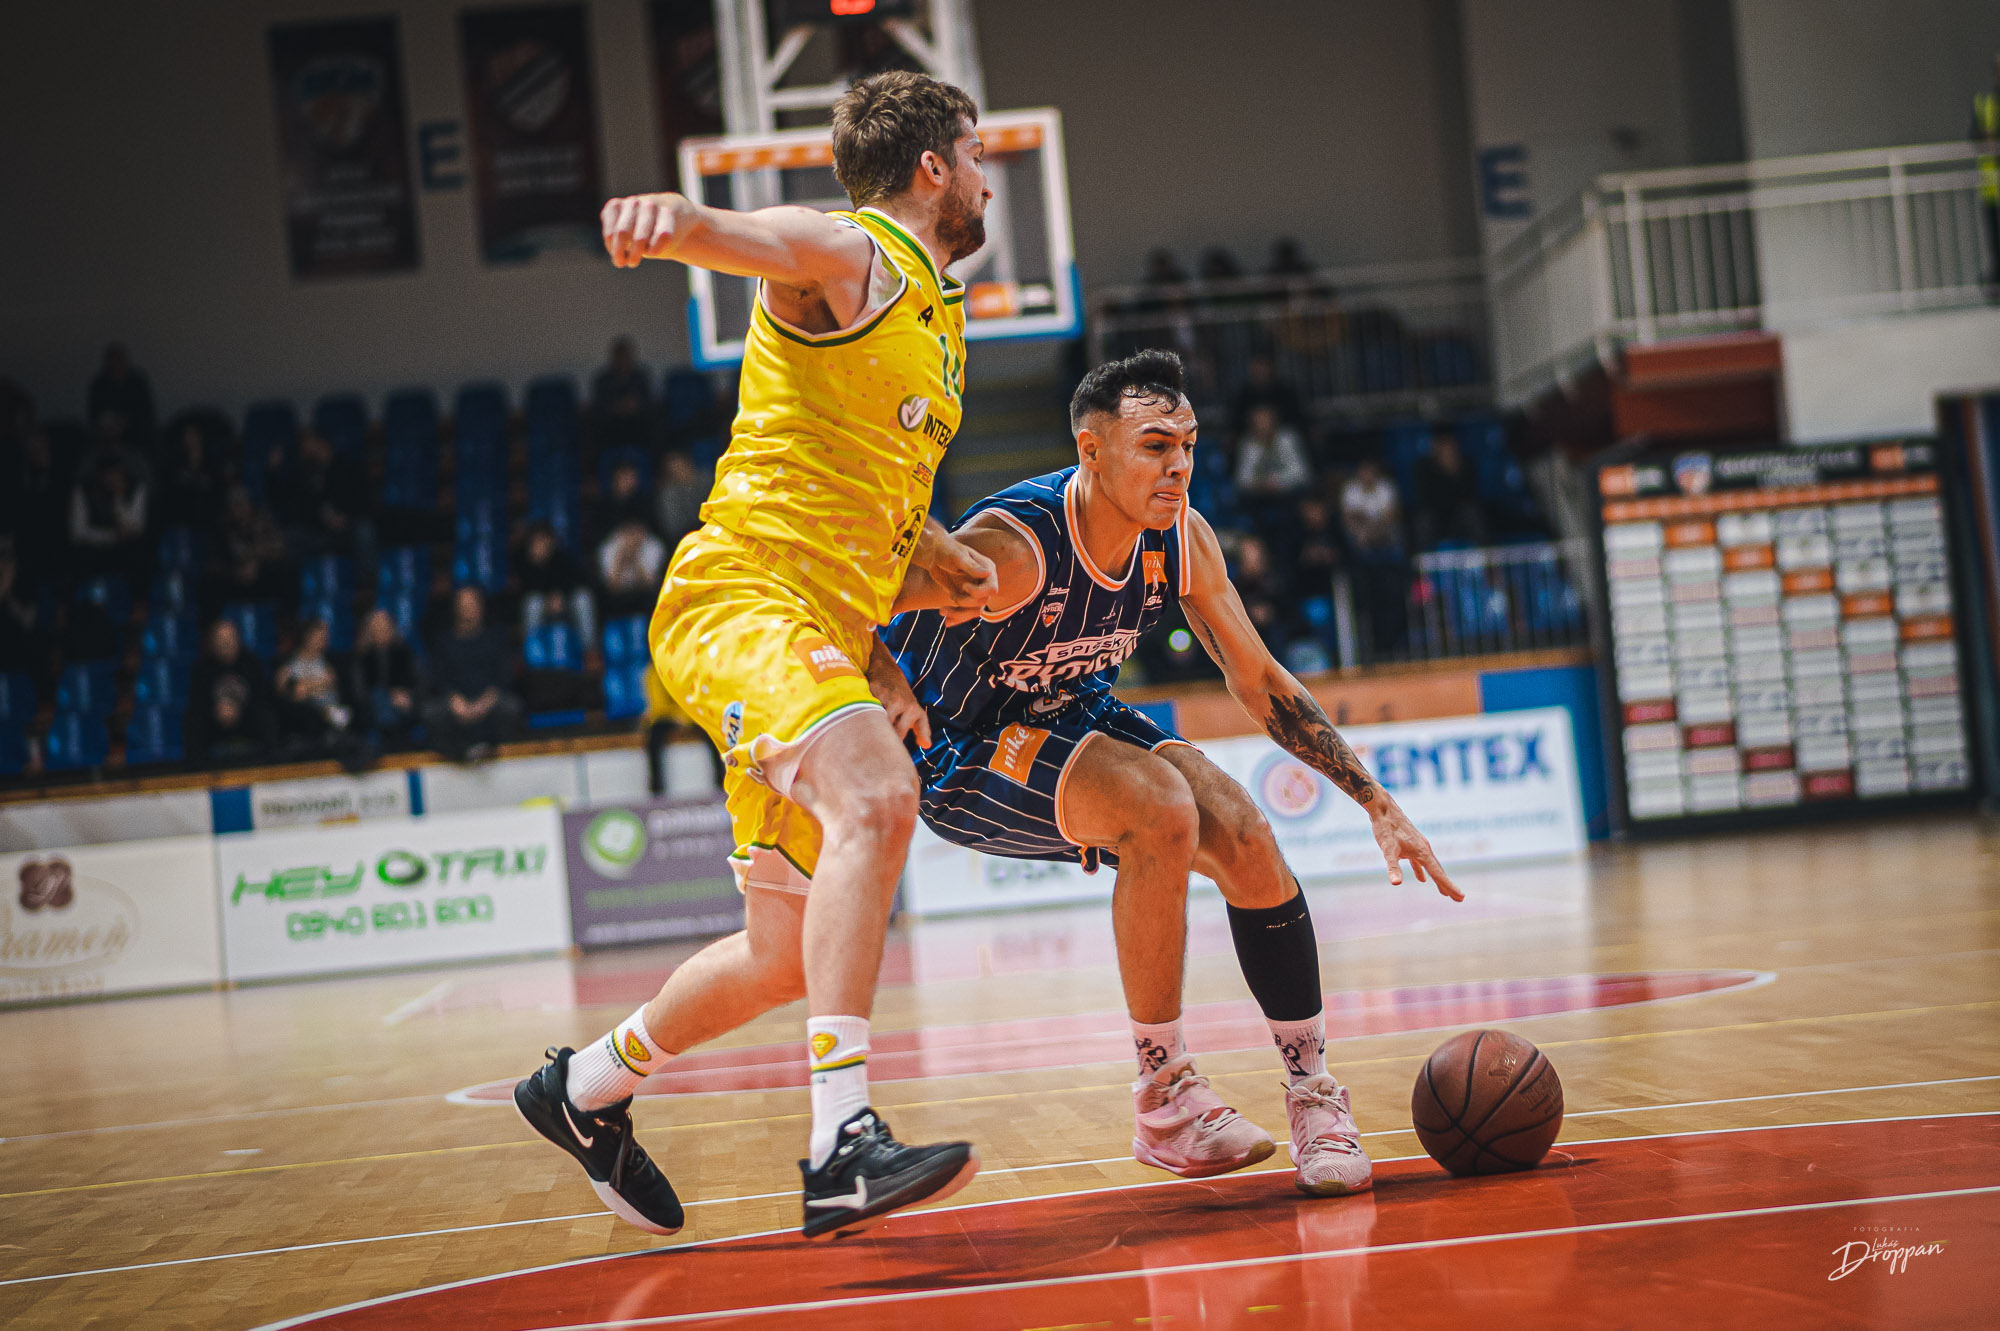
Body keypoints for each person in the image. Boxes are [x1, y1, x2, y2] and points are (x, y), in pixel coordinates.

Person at [512, 70, 1000, 1241]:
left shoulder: (939, 323)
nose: (989, 180)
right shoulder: (856, 252)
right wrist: (674, 221)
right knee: (877, 793)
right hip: (740, 596)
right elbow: (761, 238)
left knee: (784, 953)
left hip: (819, 626)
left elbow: (856, 514)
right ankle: (841, 1143)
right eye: (978, 155)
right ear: (932, 165)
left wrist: (898, 620)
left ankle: (583, 1088)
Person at [878, 350, 1459, 1196]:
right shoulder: (1017, 551)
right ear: (1091, 450)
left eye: (1187, 443)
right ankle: (1164, 1095)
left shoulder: (1180, 537)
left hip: (1071, 713)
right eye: (1154, 445)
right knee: (1161, 807)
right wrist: (881, 671)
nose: (1178, 464)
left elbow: (1260, 680)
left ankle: (1314, 1093)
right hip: (958, 746)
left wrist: (1376, 802)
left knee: (1245, 829)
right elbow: (850, 587)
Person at [422, 587, 521, 763]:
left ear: (481, 607)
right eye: (464, 606)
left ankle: (504, 760)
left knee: (511, 707)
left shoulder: (495, 638)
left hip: (489, 700)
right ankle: (453, 759)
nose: (468, 610)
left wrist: (485, 702)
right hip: (457, 702)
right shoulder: (444, 642)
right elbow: (440, 679)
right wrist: (455, 701)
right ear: (456, 609)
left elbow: (504, 676)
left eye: (472, 605)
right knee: (431, 713)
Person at [1341, 456, 1407, 658]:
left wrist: (1370, 529)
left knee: (1393, 596)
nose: (1368, 474)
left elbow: (1391, 517)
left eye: (1371, 469)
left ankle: (1394, 645)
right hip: (1363, 555)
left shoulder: (1386, 487)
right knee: (1367, 599)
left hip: (1387, 549)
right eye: (1364, 469)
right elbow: (1350, 519)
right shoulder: (1351, 490)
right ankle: (1371, 648)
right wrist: (1368, 530)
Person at [185, 617, 276, 765]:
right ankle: (197, 770)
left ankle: (272, 765)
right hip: (215, 721)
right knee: (193, 722)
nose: (226, 643)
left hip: (246, 719)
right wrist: (216, 710)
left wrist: (239, 709)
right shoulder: (202, 668)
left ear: (238, 639)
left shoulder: (251, 663)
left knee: (266, 717)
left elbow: (261, 697)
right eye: (221, 639)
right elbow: (197, 702)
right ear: (213, 643)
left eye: (230, 638)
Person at [274, 618, 356, 758]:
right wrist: (318, 684)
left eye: (325, 636)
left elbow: (333, 684)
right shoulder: (289, 664)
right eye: (320, 636)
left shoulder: (332, 661)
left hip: (334, 715)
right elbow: (295, 692)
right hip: (308, 718)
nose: (324, 640)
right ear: (307, 636)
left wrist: (308, 685)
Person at [68, 451, 149, 581]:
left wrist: (119, 498)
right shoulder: (83, 490)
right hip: (93, 552)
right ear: (99, 475)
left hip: (124, 552)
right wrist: (111, 536)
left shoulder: (136, 488)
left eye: (117, 473)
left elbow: (135, 528)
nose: (113, 479)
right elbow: (78, 533)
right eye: (109, 474)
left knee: (137, 555)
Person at [348, 607, 420, 747]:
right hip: (373, 705)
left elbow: (417, 681)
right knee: (380, 699)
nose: (381, 630)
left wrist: (407, 695)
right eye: (377, 627)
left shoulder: (404, 652)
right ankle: (390, 738)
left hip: (403, 703)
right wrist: (388, 696)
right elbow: (359, 691)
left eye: (385, 626)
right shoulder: (361, 657)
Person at [1411, 430, 1489, 550]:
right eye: (1444, 446)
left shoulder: (1466, 465)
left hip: (1457, 517)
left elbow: (1469, 496)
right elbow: (1425, 498)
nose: (1448, 451)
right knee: (1422, 520)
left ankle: (1486, 557)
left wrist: (1454, 474)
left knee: (1472, 514)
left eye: (1450, 446)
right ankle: (1422, 560)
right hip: (1435, 518)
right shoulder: (1423, 467)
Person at [519, 522, 595, 645]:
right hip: (540, 605)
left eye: (545, 540)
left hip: (564, 603)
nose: (542, 545)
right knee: (534, 603)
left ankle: (589, 648)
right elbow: (523, 591)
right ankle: (531, 648)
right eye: (538, 541)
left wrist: (561, 594)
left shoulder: (562, 558)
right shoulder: (523, 562)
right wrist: (548, 598)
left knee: (583, 598)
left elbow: (578, 581)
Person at [86, 343, 156, 457]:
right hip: (106, 433)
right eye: (112, 363)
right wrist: (109, 424)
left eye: (118, 362)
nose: (115, 367)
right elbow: (94, 414)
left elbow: (145, 412)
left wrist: (125, 421)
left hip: (136, 434)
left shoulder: (137, 382)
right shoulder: (99, 384)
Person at [596, 520, 667, 621]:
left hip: (643, 597)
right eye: (629, 533)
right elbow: (612, 586)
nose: (632, 538)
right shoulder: (609, 547)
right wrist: (621, 558)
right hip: (618, 599)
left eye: (636, 532)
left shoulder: (653, 546)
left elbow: (650, 584)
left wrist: (636, 557)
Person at [592, 336, 653, 449]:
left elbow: (649, 404)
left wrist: (635, 406)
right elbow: (598, 408)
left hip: (637, 425)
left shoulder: (640, 378)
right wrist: (616, 407)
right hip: (611, 426)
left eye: (626, 357)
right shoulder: (603, 380)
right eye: (619, 357)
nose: (623, 361)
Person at [1976, 53, 1999, 290]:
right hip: (1992, 183)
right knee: (1995, 239)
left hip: (1992, 182)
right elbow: (1975, 135)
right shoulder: (1985, 103)